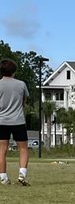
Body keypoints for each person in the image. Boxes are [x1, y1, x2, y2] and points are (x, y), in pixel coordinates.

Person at [0, 57, 31, 187]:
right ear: (14, 71)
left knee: (2, 150)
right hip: (18, 120)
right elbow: (23, 102)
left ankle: (3, 178)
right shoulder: (21, 84)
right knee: (23, 149)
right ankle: (21, 176)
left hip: (1, 121)